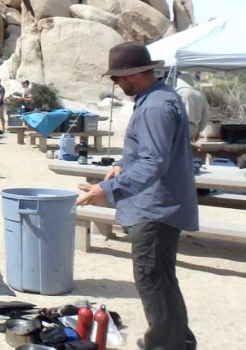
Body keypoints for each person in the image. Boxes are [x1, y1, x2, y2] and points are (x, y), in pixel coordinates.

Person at [76, 42, 198, 350]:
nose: (116, 85)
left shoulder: (155, 106)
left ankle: (163, 345)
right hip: (159, 205)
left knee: (152, 280)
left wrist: (107, 190)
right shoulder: (159, 98)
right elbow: (146, 151)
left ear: (131, 76)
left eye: (116, 79)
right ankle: (178, 340)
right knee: (163, 280)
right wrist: (119, 165)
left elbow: (153, 162)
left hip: (154, 209)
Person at [175, 72, 211, 141]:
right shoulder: (200, 94)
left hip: (178, 127)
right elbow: (206, 114)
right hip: (193, 127)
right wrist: (199, 130)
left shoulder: (176, 93)